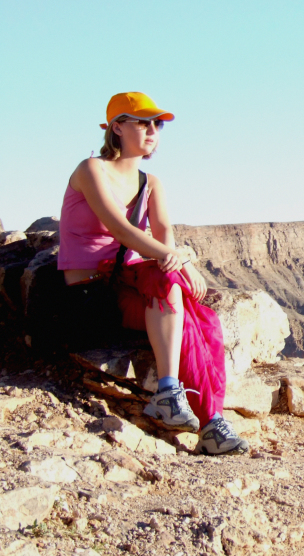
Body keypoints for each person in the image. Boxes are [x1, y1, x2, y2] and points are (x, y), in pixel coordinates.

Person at [58, 92, 248, 455]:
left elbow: (165, 241)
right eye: (142, 122)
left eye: (156, 124)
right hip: (93, 292)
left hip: (136, 285)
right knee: (171, 283)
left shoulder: (153, 183)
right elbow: (122, 231)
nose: (152, 131)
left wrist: (182, 261)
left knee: (202, 318)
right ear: (117, 127)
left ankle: (196, 411)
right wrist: (182, 260)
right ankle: (202, 416)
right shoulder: (90, 169)